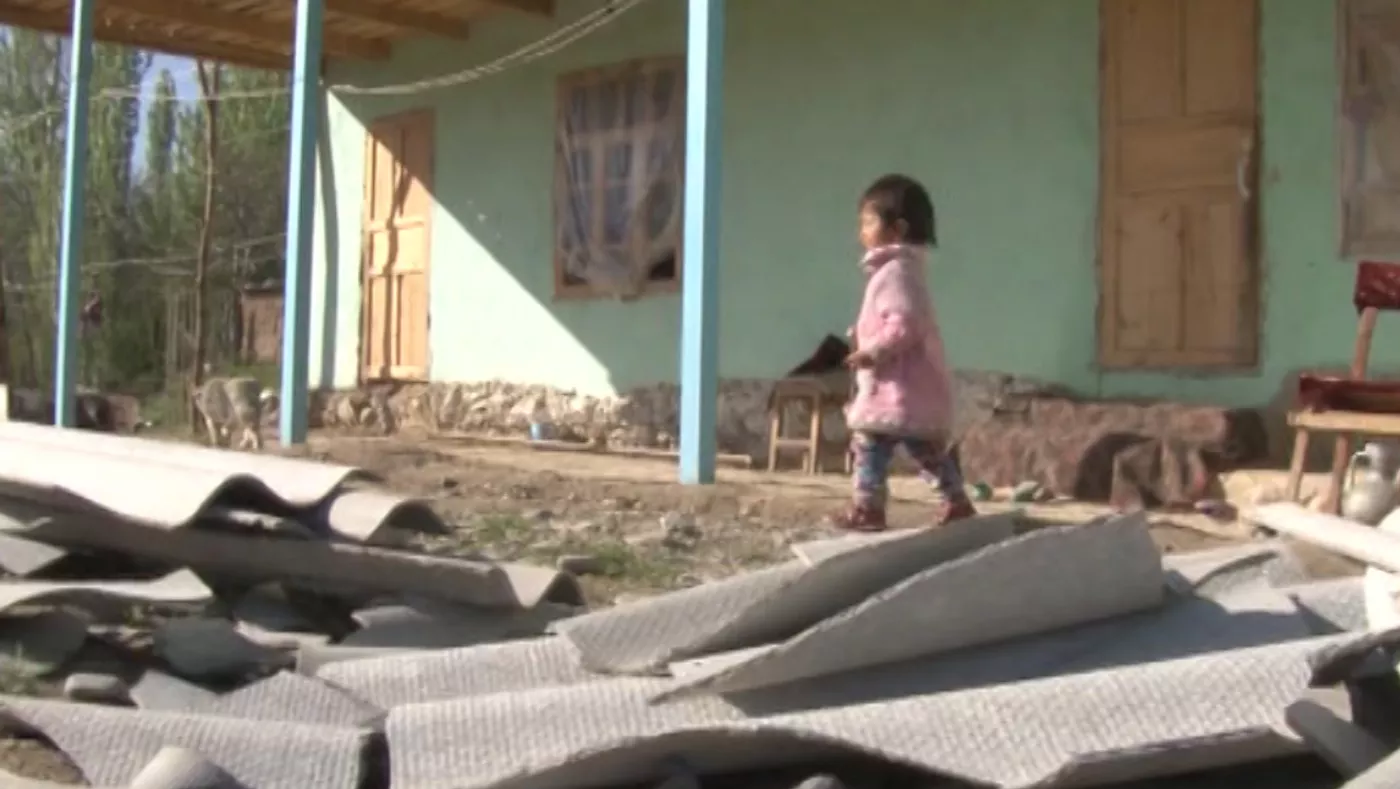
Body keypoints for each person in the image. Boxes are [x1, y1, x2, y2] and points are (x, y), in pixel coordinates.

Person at [834, 173, 976, 531]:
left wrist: (874, 351)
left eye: (868, 222)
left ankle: (868, 508)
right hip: (905, 388)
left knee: (870, 444)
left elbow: (904, 324)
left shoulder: (896, 273)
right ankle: (955, 500)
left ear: (897, 229)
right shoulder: (902, 270)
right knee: (922, 451)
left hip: (897, 386)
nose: (861, 232)